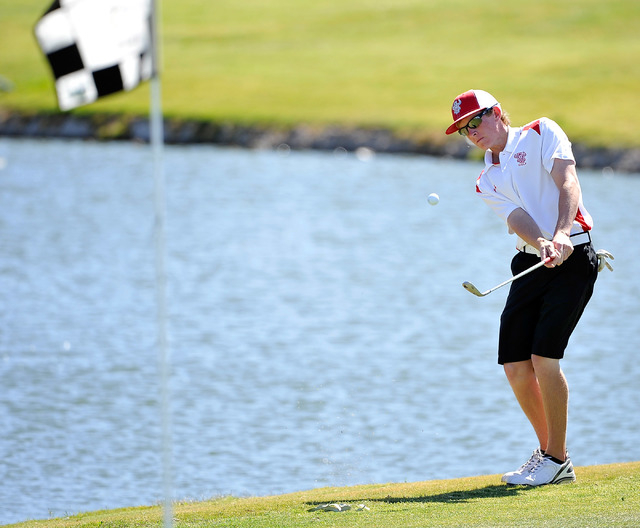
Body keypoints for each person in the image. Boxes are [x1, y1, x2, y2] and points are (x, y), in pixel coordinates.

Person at [445, 89, 599, 486]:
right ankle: (552, 456)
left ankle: (555, 458)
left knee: (544, 357)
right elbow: (516, 217)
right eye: (464, 129)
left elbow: (568, 181)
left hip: (575, 257)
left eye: (475, 121)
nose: (471, 133)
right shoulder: (485, 180)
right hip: (530, 262)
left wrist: (562, 235)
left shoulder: (541, 131)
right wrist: (544, 243)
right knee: (515, 365)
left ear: (497, 113)